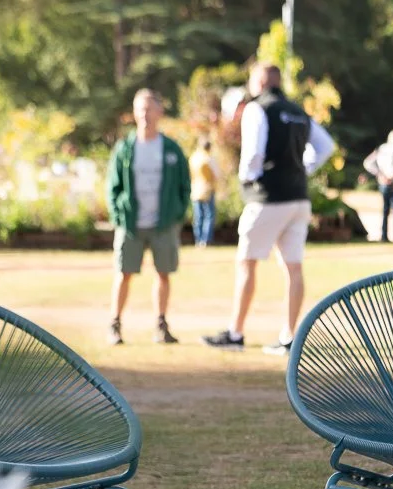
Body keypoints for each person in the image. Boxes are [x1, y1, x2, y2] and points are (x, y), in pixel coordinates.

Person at [202, 63, 336, 355]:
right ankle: (288, 337)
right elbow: (326, 146)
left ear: (260, 82)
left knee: (246, 263)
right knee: (294, 267)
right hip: (298, 198)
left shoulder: (257, 108)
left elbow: (253, 153)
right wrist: (302, 169)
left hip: (268, 198)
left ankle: (236, 332)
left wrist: (247, 179)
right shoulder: (298, 111)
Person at [106, 88, 190, 345]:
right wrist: (119, 214)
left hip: (162, 223)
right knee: (124, 273)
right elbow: (113, 187)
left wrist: (176, 213)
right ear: (134, 113)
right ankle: (115, 324)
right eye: (140, 109)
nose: (145, 114)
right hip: (131, 223)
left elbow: (184, 186)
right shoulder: (125, 148)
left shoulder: (171, 149)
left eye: (149, 109)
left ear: (159, 111)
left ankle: (161, 325)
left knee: (163, 273)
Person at [363, 130, 393, 242]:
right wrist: (391, 177)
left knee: (385, 210)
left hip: (384, 183)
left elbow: (367, 163)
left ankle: (384, 236)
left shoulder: (381, 148)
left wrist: (381, 175)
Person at [189, 136, 217, 247]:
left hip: (195, 189)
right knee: (209, 215)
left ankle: (198, 239)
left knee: (198, 216)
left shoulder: (194, 158)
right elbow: (217, 174)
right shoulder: (208, 158)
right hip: (207, 189)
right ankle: (206, 240)